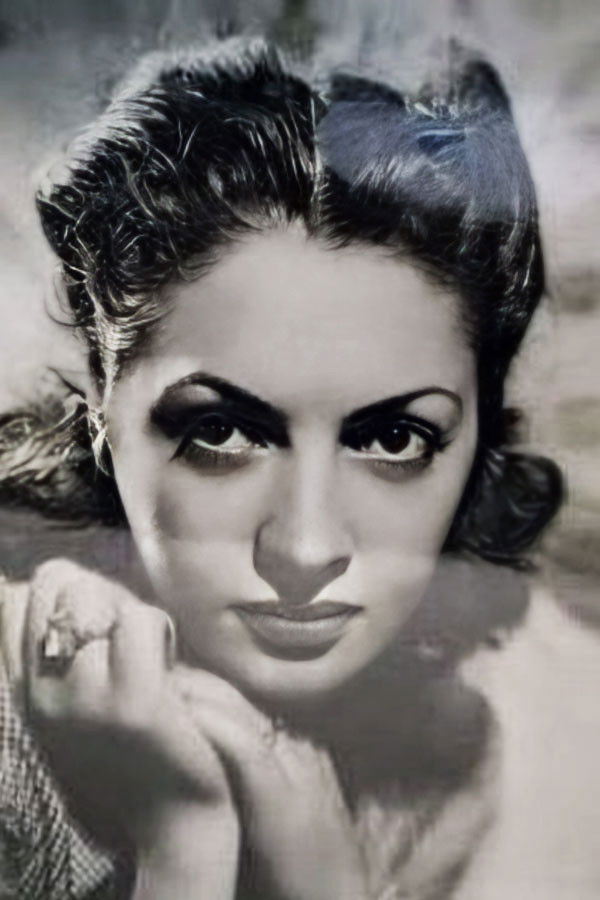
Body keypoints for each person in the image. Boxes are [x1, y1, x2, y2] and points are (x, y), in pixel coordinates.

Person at [0, 36, 561, 900]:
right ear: (101, 417)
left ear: (479, 440)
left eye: (393, 439)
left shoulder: (442, 763)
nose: (306, 548)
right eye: (224, 431)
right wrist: (183, 832)